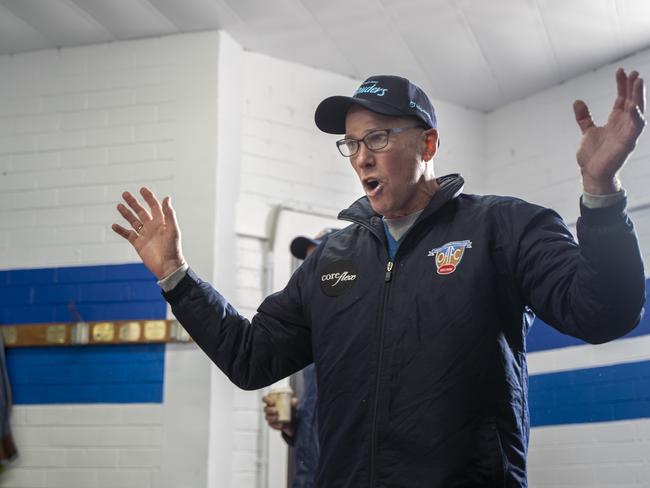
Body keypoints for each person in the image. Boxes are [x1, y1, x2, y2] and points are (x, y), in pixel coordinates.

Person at [112, 70, 646, 487]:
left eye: (379, 138)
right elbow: (252, 359)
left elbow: (604, 312)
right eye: (351, 144)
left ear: (428, 145)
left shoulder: (502, 227)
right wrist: (177, 278)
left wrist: (601, 193)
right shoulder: (329, 259)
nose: (361, 156)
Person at [262, 229, 337, 488]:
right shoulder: (313, 332)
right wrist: (294, 424)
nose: (311, 273)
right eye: (308, 264)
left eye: (319, 263)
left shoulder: (361, 332)